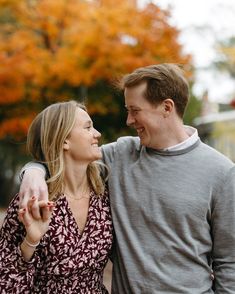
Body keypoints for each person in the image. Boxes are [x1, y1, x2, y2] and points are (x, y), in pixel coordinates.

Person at [19, 64, 235, 293]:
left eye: (135, 110)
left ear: (166, 107)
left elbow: (229, 262)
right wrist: (33, 172)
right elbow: (65, 156)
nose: (129, 120)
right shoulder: (121, 154)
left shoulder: (222, 172)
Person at [0, 101, 113, 293]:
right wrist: (31, 241)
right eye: (88, 127)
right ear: (64, 141)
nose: (97, 134)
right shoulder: (33, 200)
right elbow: (7, 281)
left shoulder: (104, 195)